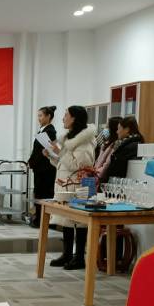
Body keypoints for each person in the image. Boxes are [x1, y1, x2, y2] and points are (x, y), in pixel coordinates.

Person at [46, 105, 96, 270]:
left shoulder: (84, 140)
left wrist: (60, 152)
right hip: (66, 184)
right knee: (66, 220)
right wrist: (52, 155)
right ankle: (67, 254)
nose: (63, 118)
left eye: (66, 115)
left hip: (78, 186)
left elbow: (80, 165)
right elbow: (64, 165)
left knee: (79, 222)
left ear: (74, 118)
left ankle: (79, 257)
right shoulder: (69, 138)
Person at [28, 106, 57, 227]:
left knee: (44, 194)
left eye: (41, 115)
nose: (39, 118)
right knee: (39, 193)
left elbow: (44, 152)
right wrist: (30, 161)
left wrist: (32, 162)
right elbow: (36, 151)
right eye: (38, 116)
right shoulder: (42, 130)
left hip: (46, 169)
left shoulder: (50, 131)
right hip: (40, 169)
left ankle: (43, 221)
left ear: (48, 116)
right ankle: (39, 218)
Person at [99, 116, 143, 183]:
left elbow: (118, 167)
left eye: (119, 128)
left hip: (119, 183)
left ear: (127, 129)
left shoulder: (129, 147)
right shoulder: (128, 144)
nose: (117, 132)